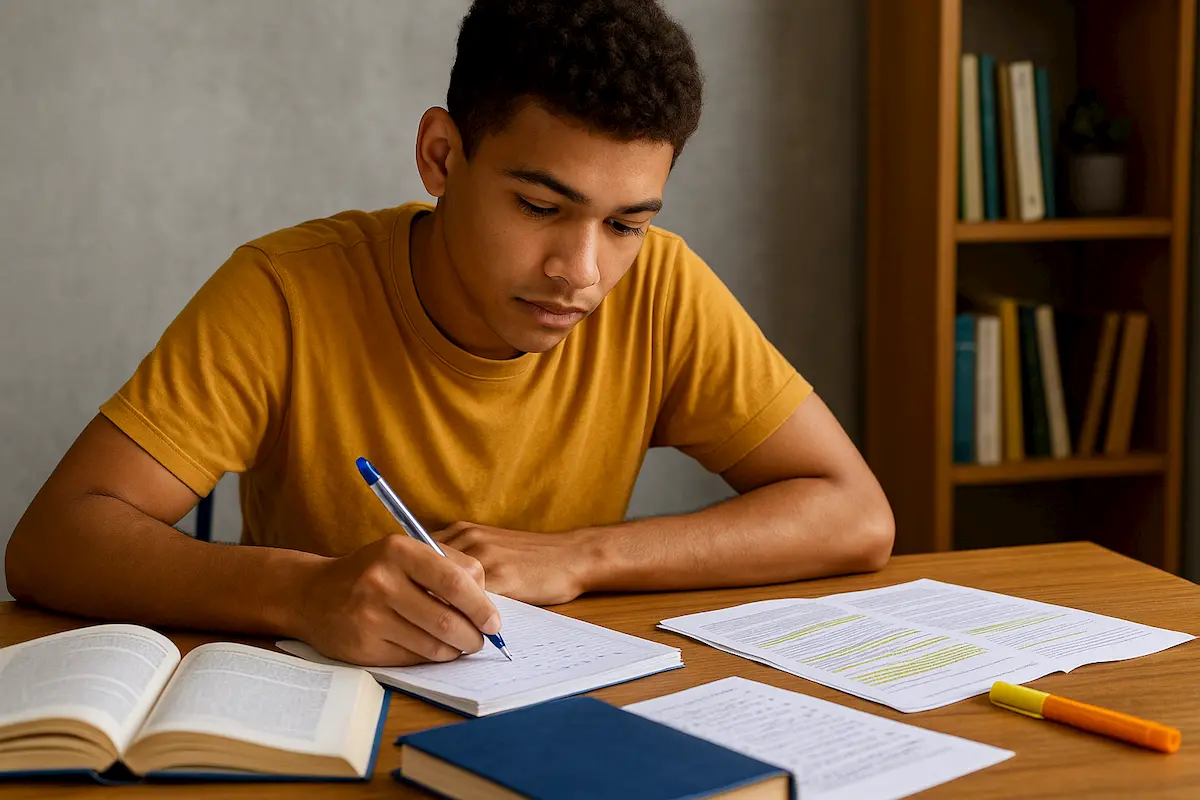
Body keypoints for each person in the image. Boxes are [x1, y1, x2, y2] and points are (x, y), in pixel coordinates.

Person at [6, 0, 893, 668]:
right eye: (541, 207)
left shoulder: (662, 286)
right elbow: (53, 541)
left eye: (626, 224)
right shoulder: (285, 291)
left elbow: (855, 513)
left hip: (554, 706)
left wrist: (583, 557)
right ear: (441, 156)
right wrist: (305, 589)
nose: (581, 272)